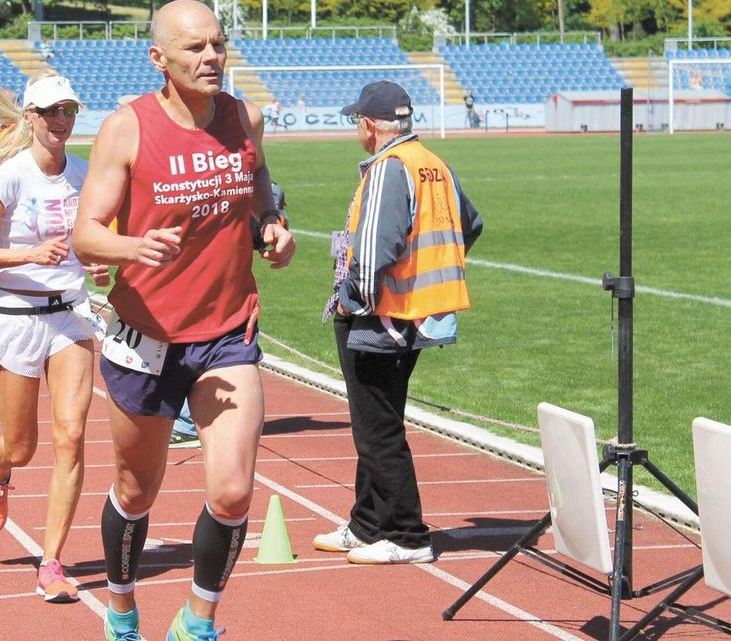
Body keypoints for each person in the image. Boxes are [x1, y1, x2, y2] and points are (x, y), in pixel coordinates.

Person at [71, 2, 294, 639]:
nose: (211, 58)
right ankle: (120, 607)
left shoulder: (243, 117)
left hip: (226, 331)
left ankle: (197, 623)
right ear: (159, 59)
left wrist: (272, 232)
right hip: (144, 336)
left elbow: (259, 189)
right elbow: (86, 235)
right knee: (136, 490)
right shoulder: (126, 128)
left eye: (218, 45)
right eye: (194, 48)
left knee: (231, 491)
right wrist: (128, 246)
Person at [0, 72, 109, 605]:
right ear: (30, 119)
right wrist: (27, 254)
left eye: (68, 110)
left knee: (72, 437)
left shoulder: (87, 176)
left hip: (70, 316)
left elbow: (93, 245)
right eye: (50, 112)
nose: (61, 120)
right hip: (16, 317)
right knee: (23, 446)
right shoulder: (12, 176)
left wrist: (103, 267)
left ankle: (52, 563)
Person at [313, 80, 482, 564]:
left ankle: (408, 535)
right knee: (375, 421)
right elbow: (470, 224)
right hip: (415, 315)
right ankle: (368, 524)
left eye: (356, 121)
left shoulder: (390, 168)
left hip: (381, 316)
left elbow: (374, 250)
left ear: (369, 125)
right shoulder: (432, 163)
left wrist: (351, 302)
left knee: (378, 428)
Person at [169, 179, 289, 451]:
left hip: (221, 295)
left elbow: (261, 231)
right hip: (200, 285)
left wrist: (270, 222)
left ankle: (189, 423)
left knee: (203, 348)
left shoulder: (245, 184)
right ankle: (189, 419)